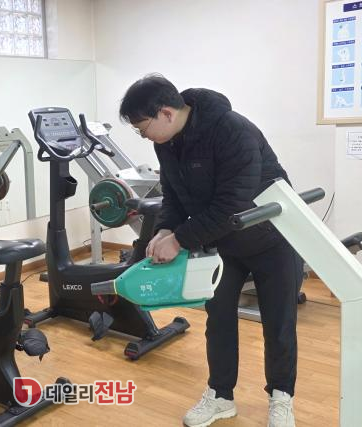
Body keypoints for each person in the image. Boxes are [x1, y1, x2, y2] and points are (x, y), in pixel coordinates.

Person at [119, 74, 303, 427]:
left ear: (166, 113)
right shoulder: (167, 143)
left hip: (272, 238)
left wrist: (179, 240)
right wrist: (165, 229)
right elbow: (173, 196)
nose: (144, 137)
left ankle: (281, 398)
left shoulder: (233, 130)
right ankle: (220, 396)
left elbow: (232, 204)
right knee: (218, 320)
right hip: (223, 242)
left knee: (279, 323)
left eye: (143, 129)